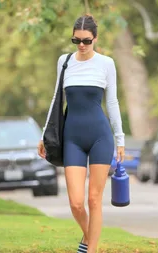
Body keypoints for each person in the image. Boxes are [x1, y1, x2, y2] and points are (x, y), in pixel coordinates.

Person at [37, 14, 125, 253]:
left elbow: (113, 103)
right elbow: (57, 99)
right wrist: (46, 134)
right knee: (76, 203)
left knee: (94, 200)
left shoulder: (106, 64)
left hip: (100, 137)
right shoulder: (64, 62)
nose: (82, 46)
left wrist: (120, 139)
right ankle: (88, 237)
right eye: (76, 41)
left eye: (86, 40)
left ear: (95, 38)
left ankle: (92, 249)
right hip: (72, 139)